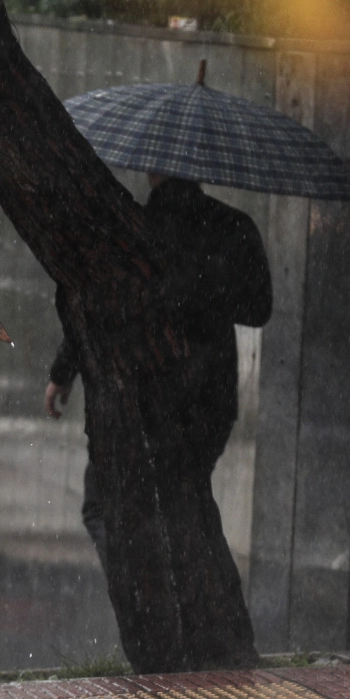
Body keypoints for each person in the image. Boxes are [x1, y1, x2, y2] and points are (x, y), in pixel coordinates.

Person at [44, 174, 271, 550]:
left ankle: (148, 597)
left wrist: (63, 372)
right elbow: (259, 309)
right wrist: (208, 287)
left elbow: (96, 304)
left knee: (105, 508)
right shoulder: (234, 227)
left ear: (153, 171)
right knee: (183, 507)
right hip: (209, 399)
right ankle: (185, 596)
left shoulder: (133, 229)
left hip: (142, 394)